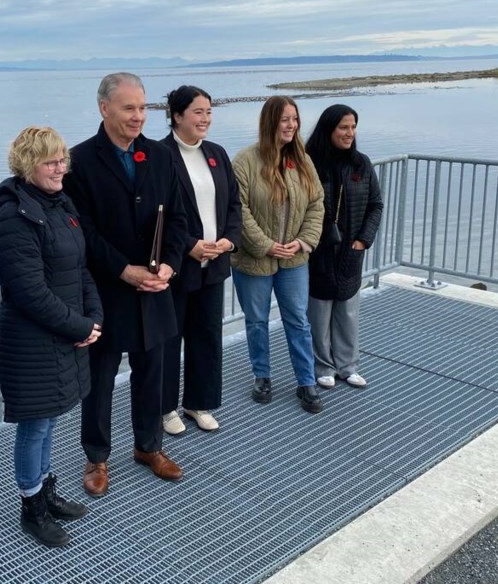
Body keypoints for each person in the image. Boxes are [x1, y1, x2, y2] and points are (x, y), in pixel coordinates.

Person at [63, 72, 188, 497]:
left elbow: (178, 217)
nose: (138, 117)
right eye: (129, 108)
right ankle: (96, 456)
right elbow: (84, 231)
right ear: (104, 109)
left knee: (152, 371)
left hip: (155, 287)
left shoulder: (160, 155)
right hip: (106, 289)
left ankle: (147, 446)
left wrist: (169, 265)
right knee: (99, 377)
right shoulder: (78, 161)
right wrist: (124, 270)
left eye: (142, 108)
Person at [0, 126, 103, 547]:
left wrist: (94, 317)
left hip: (62, 335)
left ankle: (45, 490)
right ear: (27, 166)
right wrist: (80, 326)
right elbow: (29, 294)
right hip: (32, 342)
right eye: (50, 162)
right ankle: (31, 506)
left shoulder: (59, 205)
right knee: (35, 427)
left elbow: (80, 269)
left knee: (51, 420)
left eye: (62, 160)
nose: (60, 168)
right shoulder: (13, 219)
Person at [230, 96, 325, 414]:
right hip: (254, 258)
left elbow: (316, 204)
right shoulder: (244, 161)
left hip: (295, 259)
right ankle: (262, 376)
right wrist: (265, 244)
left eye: (295, 119)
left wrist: (303, 241)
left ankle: (306, 381)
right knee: (257, 321)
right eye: (285, 119)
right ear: (270, 121)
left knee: (298, 321)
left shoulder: (303, 160)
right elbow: (238, 210)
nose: (292, 125)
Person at [159, 86, 241, 434]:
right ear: (177, 116)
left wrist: (229, 240)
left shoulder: (216, 154)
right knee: (169, 338)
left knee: (206, 336)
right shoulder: (159, 156)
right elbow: (154, 215)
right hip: (178, 267)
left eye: (209, 111)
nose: (205, 118)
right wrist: (189, 245)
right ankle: (165, 409)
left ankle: (198, 402)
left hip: (214, 265)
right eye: (198, 112)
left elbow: (234, 205)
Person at [305, 104, 384, 389]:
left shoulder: (361, 163)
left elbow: (376, 204)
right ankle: (322, 366)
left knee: (348, 309)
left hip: (352, 248)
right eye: (343, 128)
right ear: (329, 129)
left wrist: (363, 239)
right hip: (319, 249)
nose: (349, 133)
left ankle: (348, 366)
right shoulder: (309, 162)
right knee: (319, 310)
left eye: (353, 127)